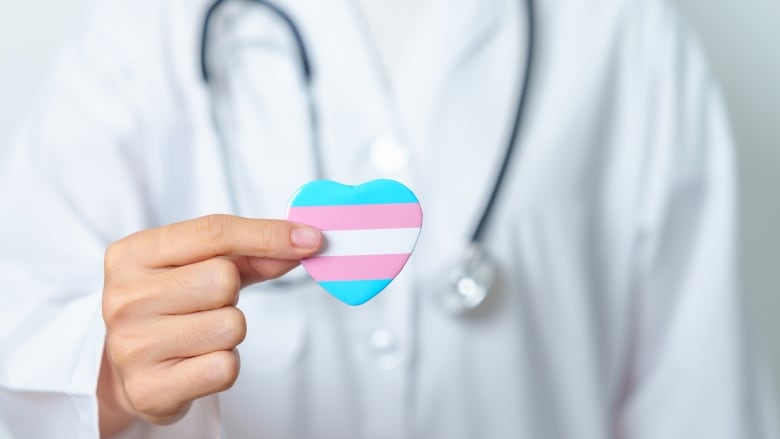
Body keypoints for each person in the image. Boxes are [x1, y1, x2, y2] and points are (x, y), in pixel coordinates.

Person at [0, 0, 777, 437]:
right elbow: (20, 338)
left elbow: (701, 400)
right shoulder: (146, 30)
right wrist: (103, 371)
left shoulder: (624, 30)